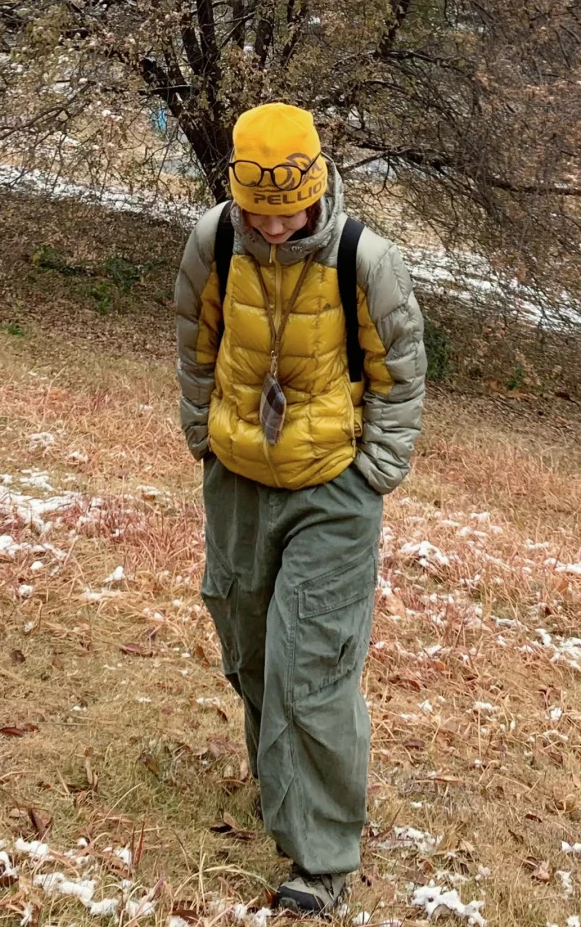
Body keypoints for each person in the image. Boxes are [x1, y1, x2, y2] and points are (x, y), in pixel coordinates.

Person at [175, 102, 427, 916]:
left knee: (310, 665)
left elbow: (400, 374)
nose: (275, 226)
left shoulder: (366, 259)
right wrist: (204, 438)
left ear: (316, 186)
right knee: (250, 651)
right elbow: (196, 339)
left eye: (289, 210)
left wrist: (372, 475)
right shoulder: (214, 241)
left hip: (332, 490)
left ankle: (320, 859)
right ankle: (280, 788)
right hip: (239, 481)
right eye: (260, 211)